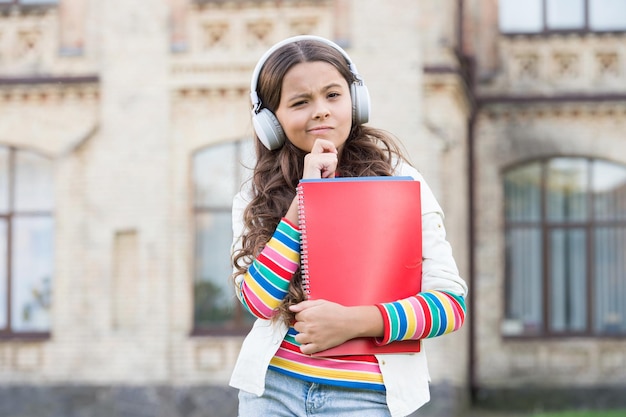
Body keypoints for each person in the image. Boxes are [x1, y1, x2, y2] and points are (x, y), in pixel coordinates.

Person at [229, 35, 468, 417]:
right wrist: (304, 200)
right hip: (273, 392)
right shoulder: (254, 195)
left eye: (333, 95)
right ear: (271, 121)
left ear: (356, 101)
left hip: (365, 399)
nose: (321, 111)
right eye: (300, 102)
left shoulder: (402, 182)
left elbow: (450, 307)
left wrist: (351, 322)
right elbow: (258, 302)